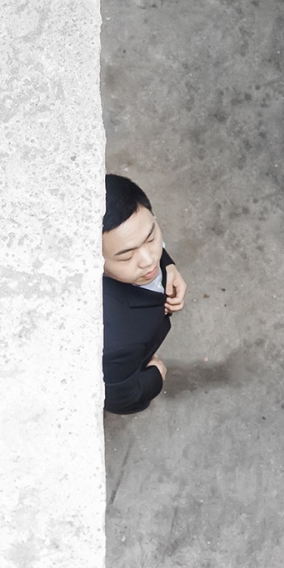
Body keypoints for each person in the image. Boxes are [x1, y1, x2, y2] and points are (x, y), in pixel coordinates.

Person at [101, 174, 187, 414]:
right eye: (127, 256)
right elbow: (119, 398)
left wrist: (167, 265)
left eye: (151, 238)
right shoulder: (117, 343)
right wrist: (155, 377)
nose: (149, 260)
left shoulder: (139, 248)